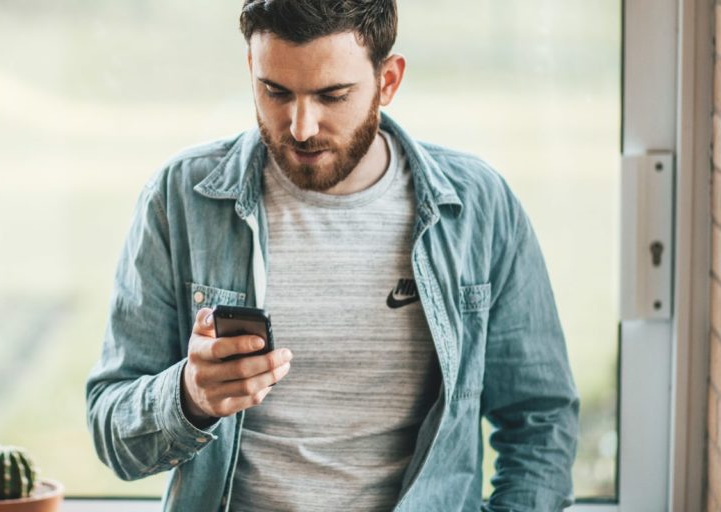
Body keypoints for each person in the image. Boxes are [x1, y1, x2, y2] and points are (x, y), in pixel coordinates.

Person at [85, 1, 580, 510]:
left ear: (388, 80)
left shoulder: (479, 206)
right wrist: (190, 397)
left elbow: (541, 421)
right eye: (275, 91)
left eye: (332, 95)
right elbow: (113, 432)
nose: (300, 126)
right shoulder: (181, 198)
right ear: (251, 69)